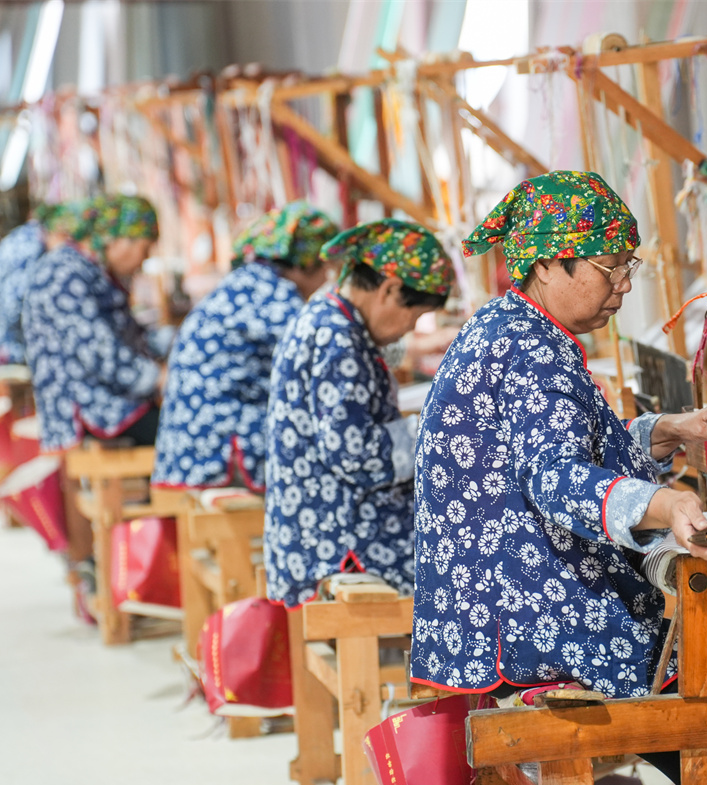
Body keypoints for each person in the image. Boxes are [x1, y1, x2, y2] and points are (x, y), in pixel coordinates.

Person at [409, 171, 707, 785]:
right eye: (609, 267)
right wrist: (667, 501)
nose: (622, 286)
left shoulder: (512, 329)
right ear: (546, 266)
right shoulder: (530, 351)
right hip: (535, 619)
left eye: (628, 267)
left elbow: (557, 447)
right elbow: (558, 479)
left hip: (500, 608)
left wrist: (667, 431)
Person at [263, 219, 454, 608]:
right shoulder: (339, 338)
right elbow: (354, 453)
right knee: (471, 552)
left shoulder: (329, 316)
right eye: (413, 317)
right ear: (390, 290)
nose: (407, 330)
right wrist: (437, 432)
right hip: (339, 538)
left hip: (317, 525)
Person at [152, 202, 338, 491]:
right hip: (219, 448)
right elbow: (330, 352)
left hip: (190, 444)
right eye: (325, 269)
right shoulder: (271, 293)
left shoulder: (246, 283)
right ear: (304, 263)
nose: (326, 280)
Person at [23, 194, 163, 452]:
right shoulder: (63, 274)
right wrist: (157, 378)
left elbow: (128, 335)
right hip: (87, 410)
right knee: (176, 434)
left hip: (108, 399)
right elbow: (99, 351)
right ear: (119, 240)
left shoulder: (89, 270)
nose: (143, 261)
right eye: (144, 249)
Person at [0, 201, 83, 375]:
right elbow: (13, 306)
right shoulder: (30, 248)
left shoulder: (26, 237)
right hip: (2, 348)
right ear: (57, 229)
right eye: (68, 237)